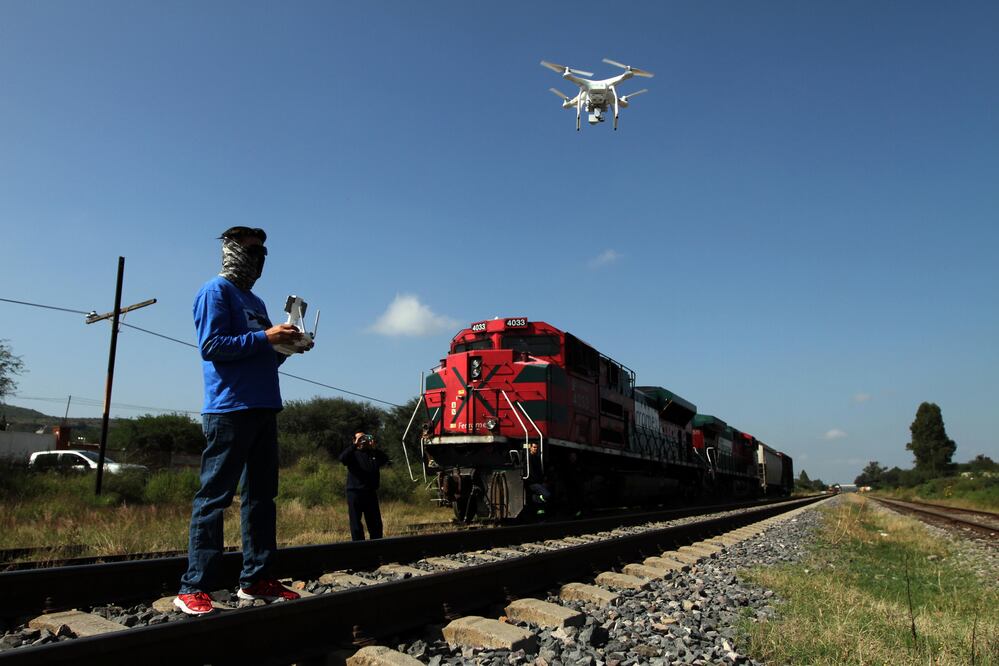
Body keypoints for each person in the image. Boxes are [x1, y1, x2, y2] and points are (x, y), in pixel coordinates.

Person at [174, 226, 312, 616]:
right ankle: (193, 586)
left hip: (265, 407)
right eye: (252, 249)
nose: (259, 257)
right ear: (232, 251)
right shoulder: (214, 292)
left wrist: (288, 347)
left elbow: (262, 352)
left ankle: (256, 581)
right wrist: (268, 337)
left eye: (263, 251)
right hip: (228, 410)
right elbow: (212, 347)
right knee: (214, 497)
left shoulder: (255, 299)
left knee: (261, 498)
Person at [339, 431, 390, 540]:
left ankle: (376, 547)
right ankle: (359, 547)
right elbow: (342, 458)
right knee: (356, 523)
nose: (362, 442)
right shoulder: (352, 454)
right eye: (360, 439)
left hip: (370, 492)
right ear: (354, 440)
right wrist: (354, 445)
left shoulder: (372, 454)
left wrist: (374, 448)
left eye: (364, 439)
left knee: (375, 523)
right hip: (354, 492)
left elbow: (385, 459)